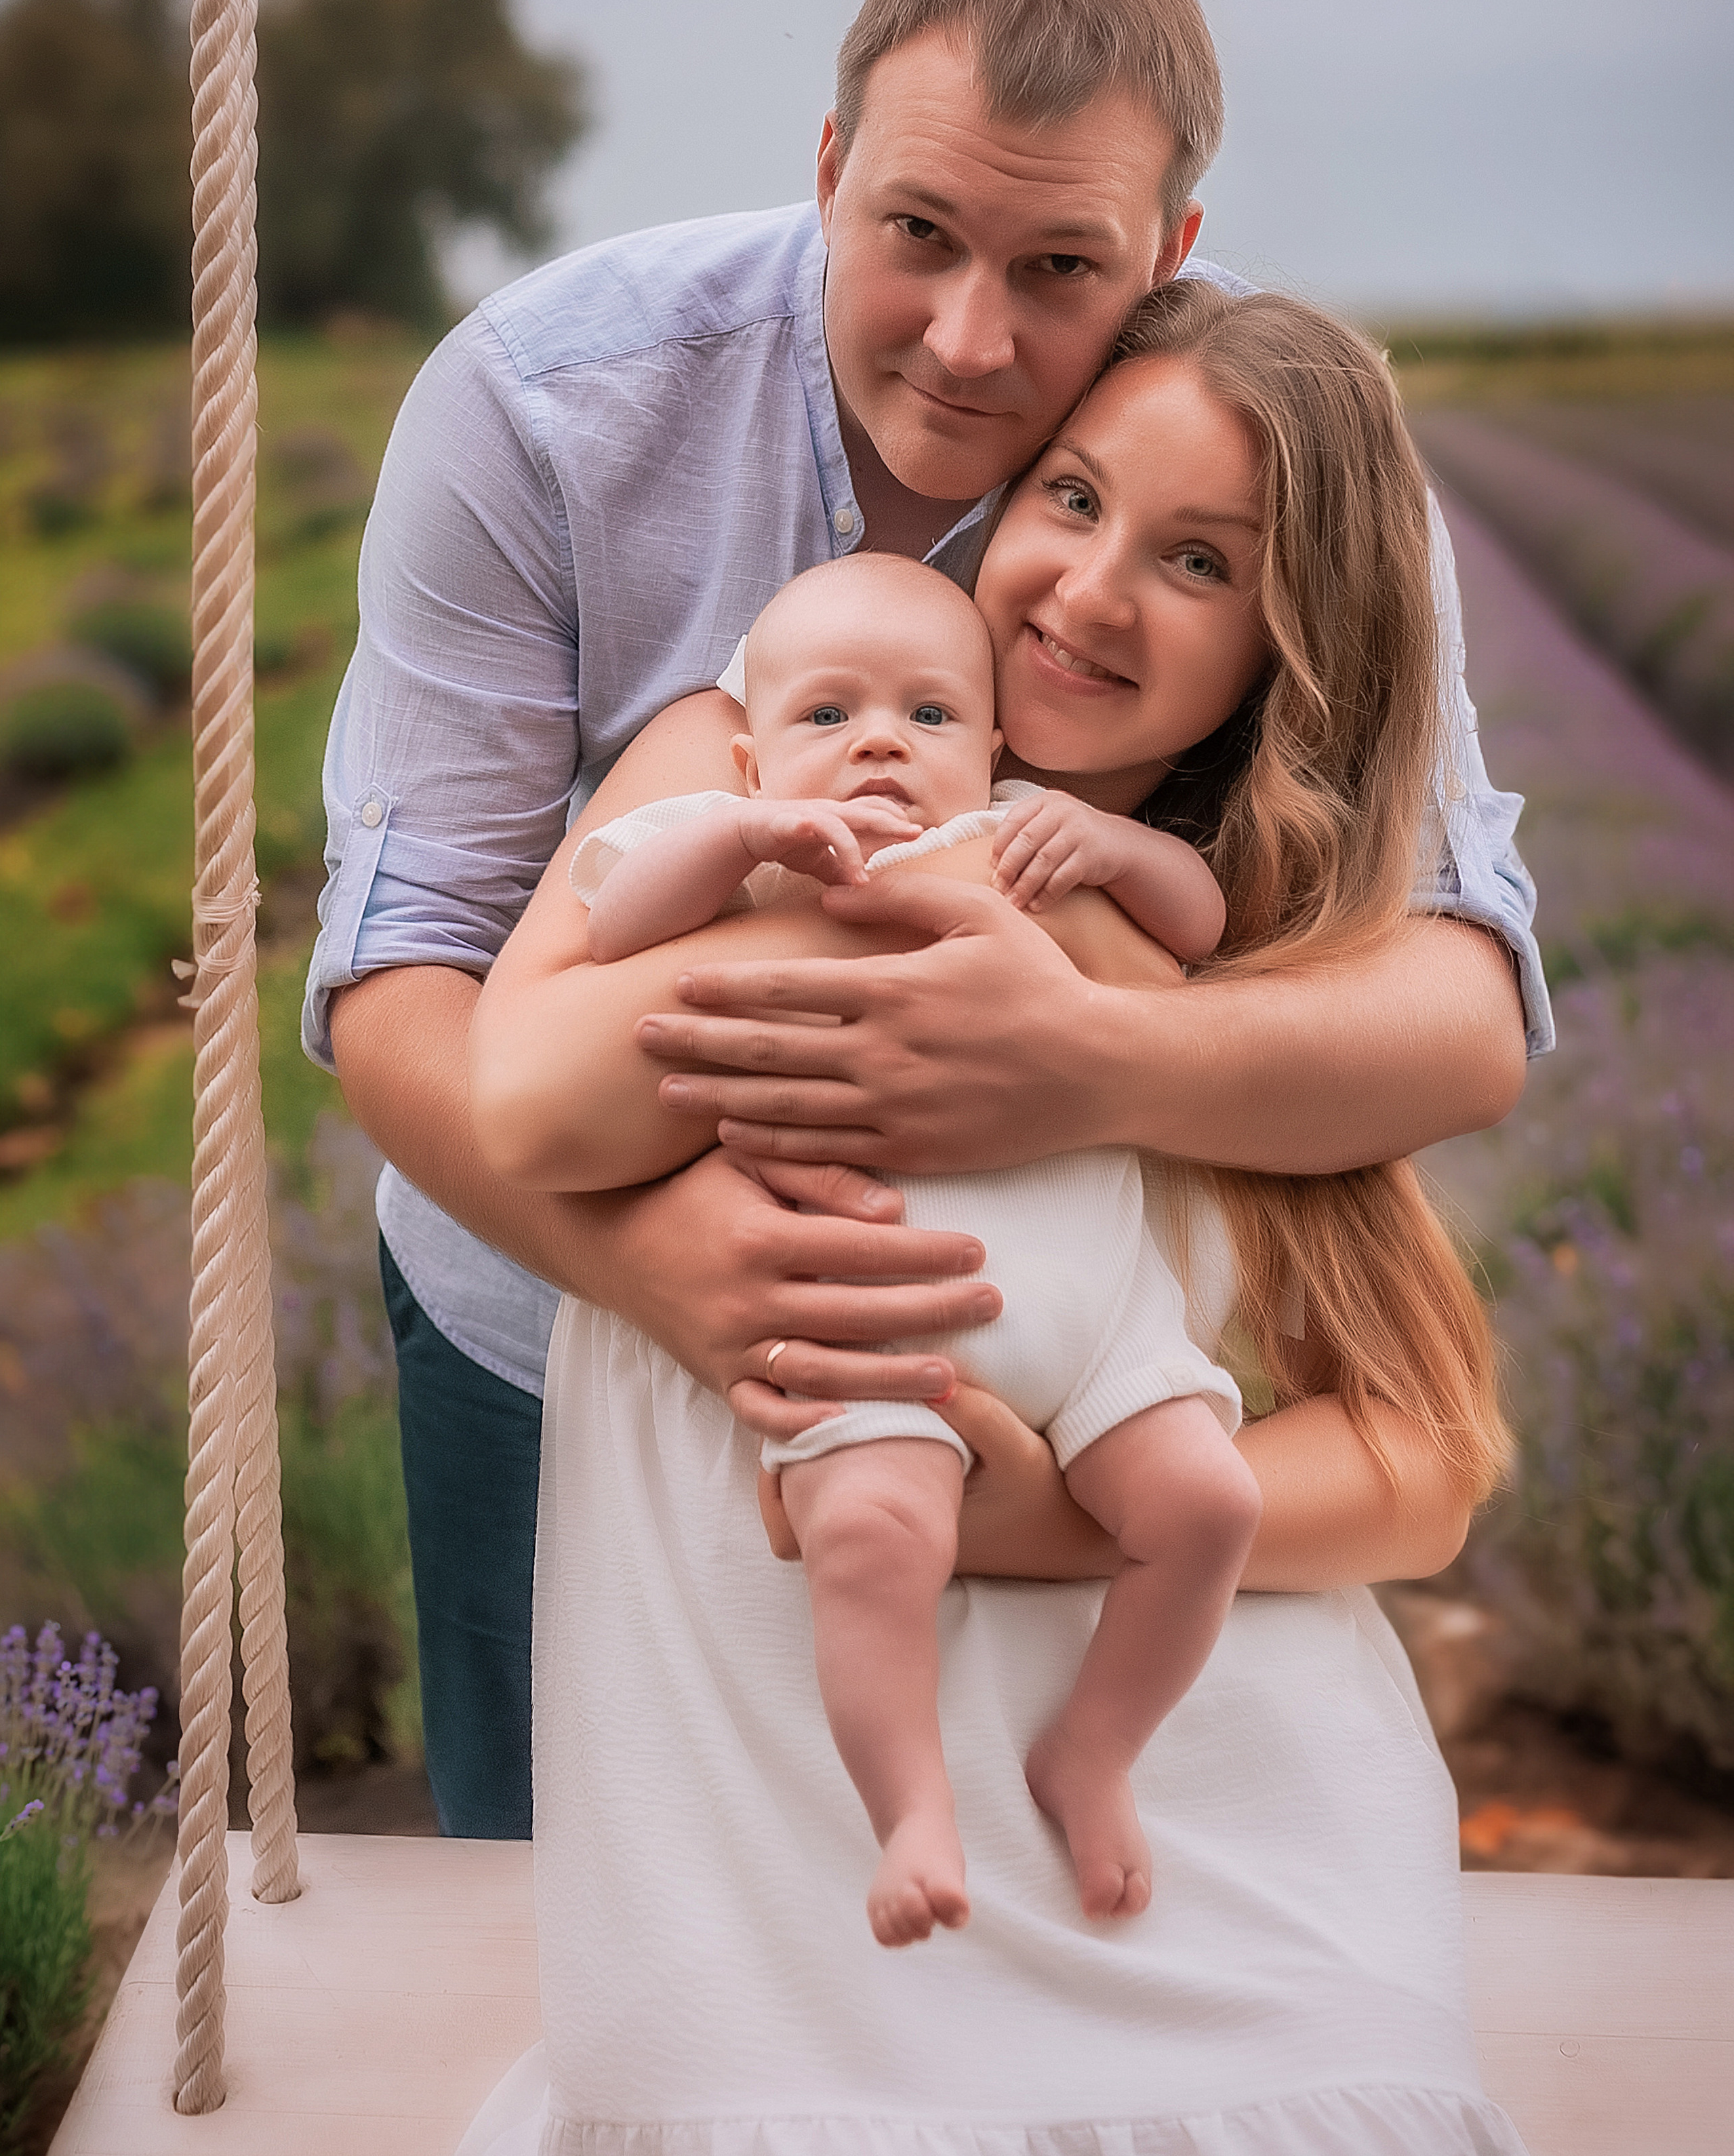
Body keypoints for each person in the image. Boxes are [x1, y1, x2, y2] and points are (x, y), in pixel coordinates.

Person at [306, 0, 1550, 1839]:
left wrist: (1089, 1065)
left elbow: (1463, 996)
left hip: (1051, 1349)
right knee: (564, 1897)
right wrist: (666, 1269)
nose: (974, 341)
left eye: (1060, 266)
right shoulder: (545, 410)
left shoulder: (1257, 453)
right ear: (826, 172)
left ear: (1168, 258)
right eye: (915, 236)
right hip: (545, 1316)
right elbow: (403, 986)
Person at [455, 285, 1523, 2154]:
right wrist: (978, 928)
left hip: (1235, 1883)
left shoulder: (1276, 966)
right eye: (1072, 498)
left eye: (1202, 562)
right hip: (806, 1923)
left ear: (1287, 645)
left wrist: (1042, 1512)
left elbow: (1426, 1462)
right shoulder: (760, 759)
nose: (1094, 594)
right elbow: (537, 1098)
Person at [560, 551, 1260, 1942]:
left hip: (1096, 1304)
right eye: (828, 716)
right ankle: (909, 1808)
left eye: (930, 715)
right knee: (873, 1537)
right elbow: (607, 922)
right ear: (754, 752)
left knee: (1207, 1508)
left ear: (992, 743)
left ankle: (1092, 1749)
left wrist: (1115, 848)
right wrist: (742, 841)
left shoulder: (1015, 834)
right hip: (883, 1307)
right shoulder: (734, 841)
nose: (881, 741)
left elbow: (1196, 923)